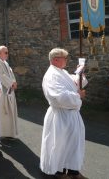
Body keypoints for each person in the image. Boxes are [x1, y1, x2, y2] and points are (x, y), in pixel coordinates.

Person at [40, 48, 87, 179]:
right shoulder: (51, 75)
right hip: (60, 115)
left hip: (71, 115)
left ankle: (73, 170)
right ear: (55, 59)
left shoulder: (62, 72)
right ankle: (59, 171)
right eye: (64, 58)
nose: (66, 60)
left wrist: (79, 73)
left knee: (73, 143)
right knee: (60, 144)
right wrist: (78, 95)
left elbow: (75, 83)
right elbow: (59, 96)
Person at [0, 45, 18, 140]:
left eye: (7, 52)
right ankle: (2, 133)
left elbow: (11, 73)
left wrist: (14, 82)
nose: (7, 54)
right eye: (5, 52)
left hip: (9, 90)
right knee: (3, 113)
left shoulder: (5, 62)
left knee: (9, 112)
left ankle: (9, 132)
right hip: (2, 91)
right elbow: (0, 76)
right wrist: (11, 83)